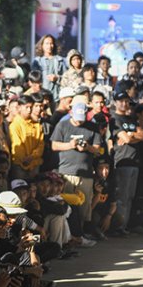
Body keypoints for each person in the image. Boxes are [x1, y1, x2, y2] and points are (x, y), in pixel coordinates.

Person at [51, 99, 103, 236]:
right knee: (67, 204)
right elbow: (54, 145)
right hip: (67, 172)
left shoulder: (93, 127)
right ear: (71, 113)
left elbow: (98, 149)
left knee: (84, 206)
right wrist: (70, 145)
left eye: (82, 119)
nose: (80, 122)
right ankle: (68, 235)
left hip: (85, 173)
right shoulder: (62, 125)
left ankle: (81, 232)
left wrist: (87, 147)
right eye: (77, 119)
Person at [110, 91, 143, 232]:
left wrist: (132, 136)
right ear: (115, 102)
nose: (124, 104)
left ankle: (123, 226)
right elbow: (125, 139)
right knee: (121, 197)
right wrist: (131, 136)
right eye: (121, 101)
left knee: (129, 197)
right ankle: (117, 227)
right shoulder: (114, 118)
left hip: (134, 162)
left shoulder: (131, 119)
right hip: (121, 161)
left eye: (127, 101)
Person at [9, 95, 44, 180]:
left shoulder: (37, 125)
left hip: (34, 163)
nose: (29, 110)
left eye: (31, 107)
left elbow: (41, 144)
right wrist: (24, 159)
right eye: (26, 107)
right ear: (19, 107)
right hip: (20, 165)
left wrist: (33, 156)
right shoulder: (15, 125)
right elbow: (17, 145)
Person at [31, 35, 65, 101]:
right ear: (42, 45)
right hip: (42, 97)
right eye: (47, 43)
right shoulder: (37, 61)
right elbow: (33, 78)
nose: (49, 46)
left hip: (57, 97)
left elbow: (66, 77)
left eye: (51, 43)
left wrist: (57, 78)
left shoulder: (60, 60)